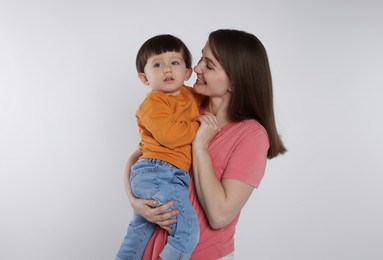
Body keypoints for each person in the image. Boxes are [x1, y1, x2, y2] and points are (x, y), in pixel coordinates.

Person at [122, 29, 287, 260]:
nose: (196, 68)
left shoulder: (251, 135)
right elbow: (139, 158)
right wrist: (135, 202)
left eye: (209, 65)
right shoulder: (186, 107)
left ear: (234, 81)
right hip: (151, 251)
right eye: (201, 58)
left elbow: (220, 215)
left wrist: (200, 147)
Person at [115, 34, 201, 260]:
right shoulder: (152, 104)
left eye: (174, 62)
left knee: (139, 232)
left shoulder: (190, 96)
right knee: (188, 229)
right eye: (157, 64)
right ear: (144, 78)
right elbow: (171, 136)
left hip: (165, 174)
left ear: (188, 72)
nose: (167, 69)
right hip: (158, 172)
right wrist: (199, 128)